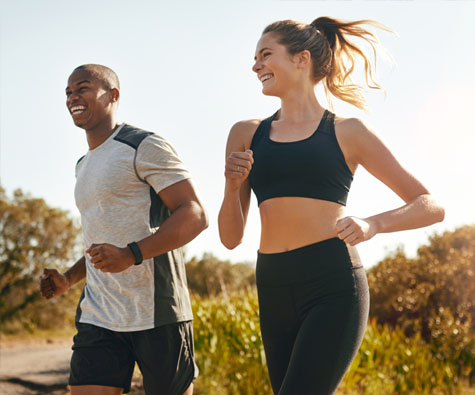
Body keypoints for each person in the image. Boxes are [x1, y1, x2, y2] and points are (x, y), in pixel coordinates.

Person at [218, 17, 444, 395]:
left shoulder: (348, 131)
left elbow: (430, 205)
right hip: (272, 282)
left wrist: (374, 224)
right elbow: (229, 239)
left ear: (301, 59)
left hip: (332, 283)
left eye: (266, 54)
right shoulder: (246, 134)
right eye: (254, 57)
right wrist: (231, 186)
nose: (255, 65)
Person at [39, 64, 208, 395]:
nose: (73, 96)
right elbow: (100, 242)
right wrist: (68, 280)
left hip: (157, 311)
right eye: (68, 92)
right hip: (99, 313)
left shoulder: (143, 145)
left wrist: (132, 254)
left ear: (112, 95)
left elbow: (194, 214)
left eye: (83, 88)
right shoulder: (82, 165)